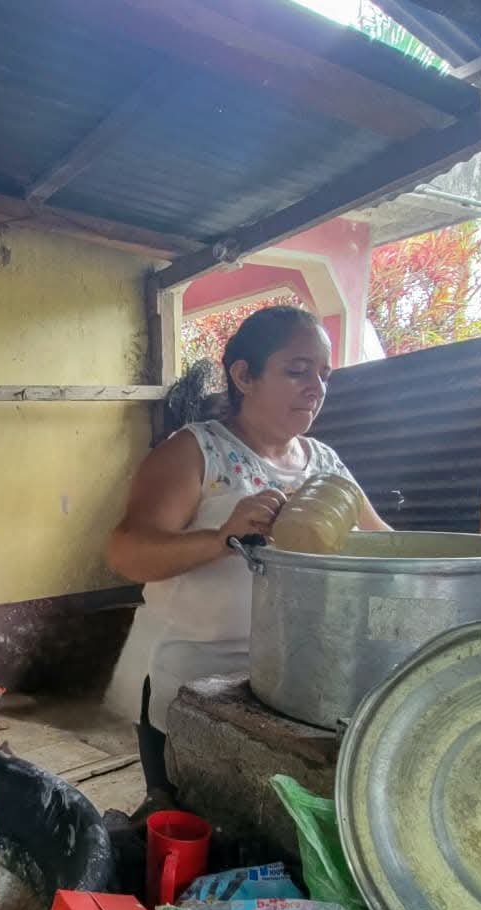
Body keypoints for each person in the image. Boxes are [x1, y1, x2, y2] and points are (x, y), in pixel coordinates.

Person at [106, 305, 390, 804]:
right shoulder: (197, 452)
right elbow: (127, 554)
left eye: (323, 376)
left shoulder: (325, 465)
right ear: (244, 375)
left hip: (286, 682)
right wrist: (223, 537)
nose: (316, 389)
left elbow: (387, 550)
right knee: (184, 816)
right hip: (191, 680)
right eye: (297, 371)